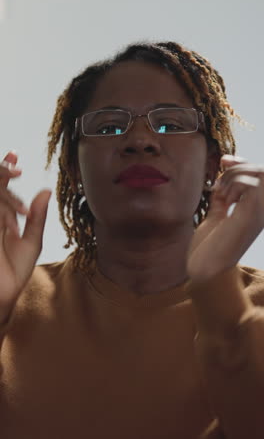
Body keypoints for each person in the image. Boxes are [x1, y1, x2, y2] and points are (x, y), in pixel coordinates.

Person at [0, 41, 264, 439]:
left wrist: (218, 294)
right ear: (73, 167)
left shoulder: (252, 306)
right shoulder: (12, 301)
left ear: (213, 164)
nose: (140, 141)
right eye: (108, 127)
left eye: (170, 124)